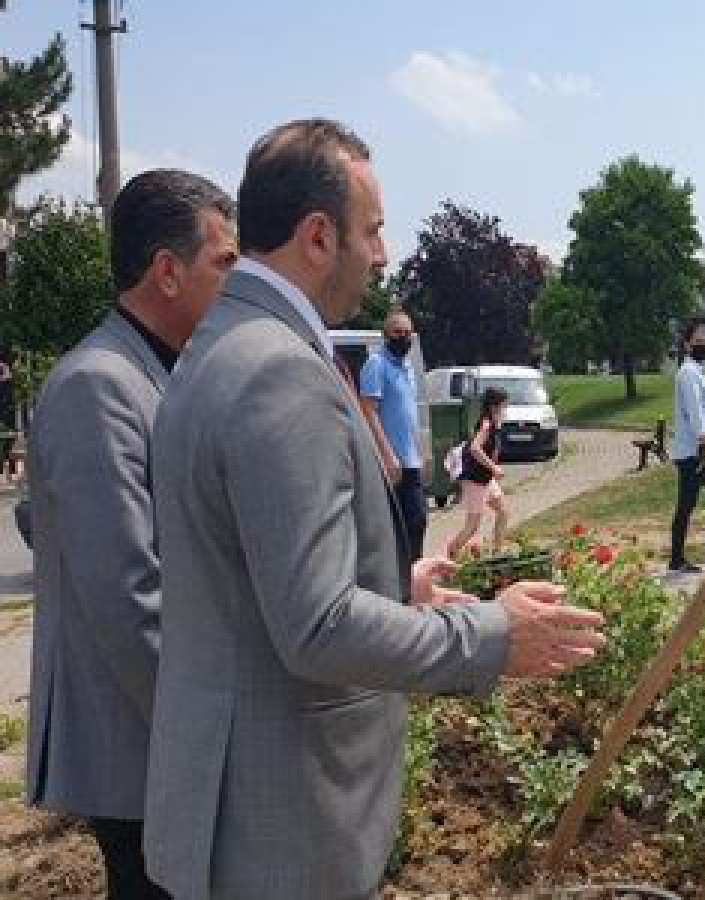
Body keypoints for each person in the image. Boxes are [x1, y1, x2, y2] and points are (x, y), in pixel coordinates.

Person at [143, 118, 606, 900]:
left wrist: (392, 586)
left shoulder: (218, 347)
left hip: (230, 807)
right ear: (319, 236)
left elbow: (246, 579)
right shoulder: (278, 372)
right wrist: (491, 633)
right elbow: (316, 627)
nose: (383, 254)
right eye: (375, 229)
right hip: (278, 827)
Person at [25, 169, 237, 900]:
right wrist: (208, 739)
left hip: (162, 738)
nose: (235, 284)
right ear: (167, 272)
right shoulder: (100, 386)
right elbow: (129, 595)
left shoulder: (155, 372)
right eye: (224, 263)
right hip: (140, 747)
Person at [359, 309, 427, 558]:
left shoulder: (407, 366)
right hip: (392, 464)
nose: (403, 337)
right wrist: (387, 455)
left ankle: (414, 579)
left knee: (417, 522)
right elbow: (368, 411)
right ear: (386, 335)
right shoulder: (376, 364)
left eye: (408, 333)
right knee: (402, 527)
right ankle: (403, 584)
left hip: (411, 461)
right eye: (398, 332)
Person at [668, 317, 705, 574]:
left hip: (702, 449)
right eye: (698, 340)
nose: (703, 343)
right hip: (692, 452)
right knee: (687, 503)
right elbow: (694, 411)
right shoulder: (687, 374)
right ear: (687, 344)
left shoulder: (699, 373)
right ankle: (676, 559)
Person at [446, 386, 510, 557]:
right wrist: (494, 467)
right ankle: (451, 553)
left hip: (486, 480)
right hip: (475, 480)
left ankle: (498, 554)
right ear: (494, 406)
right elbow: (475, 448)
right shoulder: (486, 424)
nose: (506, 409)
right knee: (472, 526)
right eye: (504, 405)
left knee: (503, 512)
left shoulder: (495, 424)